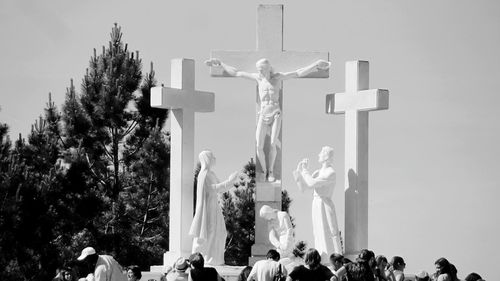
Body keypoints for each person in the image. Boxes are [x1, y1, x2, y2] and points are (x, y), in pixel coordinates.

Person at [206, 57, 330, 182]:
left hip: (275, 112)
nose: (260, 72)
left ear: (268, 68)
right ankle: (264, 171)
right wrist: (221, 64)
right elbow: (237, 72)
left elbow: (298, 72)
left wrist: (315, 65)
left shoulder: (277, 77)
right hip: (263, 113)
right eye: (258, 70)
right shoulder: (258, 79)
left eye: (262, 69)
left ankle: (270, 171)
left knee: (272, 143)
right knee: (259, 146)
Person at [188, 150, 240, 265]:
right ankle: (204, 258)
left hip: (214, 206)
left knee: (220, 231)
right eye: (212, 157)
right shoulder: (203, 174)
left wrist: (230, 182)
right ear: (207, 159)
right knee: (208, 231)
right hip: (208, 208)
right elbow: (214, 188)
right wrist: (230, 181)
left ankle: (215, 258)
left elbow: (220, 187)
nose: (214, 159)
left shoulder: (210, 173)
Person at [293, 146, 342, 260]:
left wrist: (305, 171)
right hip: (316, 203)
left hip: (325, 203)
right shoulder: (317, 172)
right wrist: (299, 172)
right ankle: (322, 257)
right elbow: (303, 188)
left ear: (326, 157)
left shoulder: (331, 172)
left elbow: (311, 183)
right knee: (318, 232)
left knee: (329, 231)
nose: (318, 155)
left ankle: (333, 259)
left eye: (321, 153)